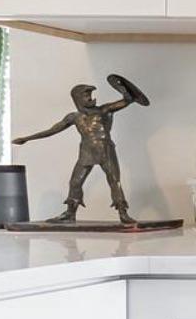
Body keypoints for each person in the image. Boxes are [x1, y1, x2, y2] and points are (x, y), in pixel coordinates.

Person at [12, 82, 138, 224]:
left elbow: (127, 100)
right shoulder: (73, 117)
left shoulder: (104, 110)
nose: (90, 98)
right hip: (86, 152)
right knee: (75, 182)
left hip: (105, 150)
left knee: (114, 181)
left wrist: (123, 90)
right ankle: (70, 213)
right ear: (78, 98)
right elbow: (51, 130)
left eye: (90, 94)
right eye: (86, 95)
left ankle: (123, 213)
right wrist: (27, 139)